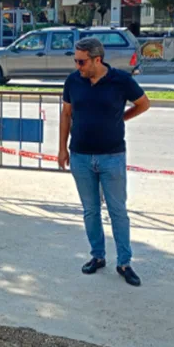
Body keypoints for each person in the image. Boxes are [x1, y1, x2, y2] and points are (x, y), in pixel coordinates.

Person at [58, 38, 151, 286]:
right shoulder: (73, 81)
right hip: (80, 156)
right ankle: (97, 256)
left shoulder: (120, 80)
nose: (77, 66)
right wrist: (61, 150)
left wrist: (121, 118)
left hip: (112, 157)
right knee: (90, 210)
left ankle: (124, 262)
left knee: (118, 211)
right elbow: (66, 114)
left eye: (81, 61)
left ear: (97, 59)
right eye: (75, 61)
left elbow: (144, 103)